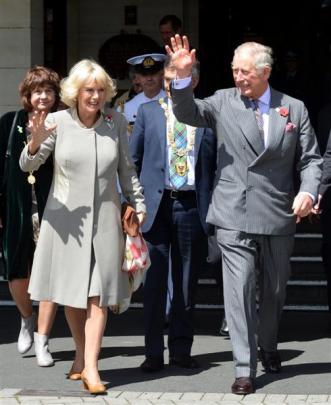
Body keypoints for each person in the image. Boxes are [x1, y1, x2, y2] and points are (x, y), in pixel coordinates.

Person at [167, 35, 322, 394]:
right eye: (234, 71)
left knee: (275, 289)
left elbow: (311, 159)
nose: (238, 77)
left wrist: (307, 191)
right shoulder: (222, 101)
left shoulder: (293, 108)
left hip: (279, 211)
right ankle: (243, 367)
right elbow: (187, 112)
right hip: (233, 211)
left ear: (265, 72)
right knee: (238, 291)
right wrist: (182, 79)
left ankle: (268, 343)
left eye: (245, 72)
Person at [19, 59, 146, 394]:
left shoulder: (114, 121)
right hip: (66, 223)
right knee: (73, 297)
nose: (95, 95)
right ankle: (80, 355)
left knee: (98, 296)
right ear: (76, 92)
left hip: (105, 222)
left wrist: (139, 203)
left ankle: (92, 366)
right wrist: (34, 142)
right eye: (89, 90)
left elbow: (126, 169)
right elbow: (28, 163)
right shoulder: (57, 121)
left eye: (101, 90)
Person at [130, 57, 217, 372]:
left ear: (192, 81)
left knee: (184, 284)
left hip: (192, 205)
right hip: (156, 207)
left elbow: (218, 165)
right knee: (153, 284)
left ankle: (181, 349)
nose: (169, 84)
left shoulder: (207, 114)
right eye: (167, 79)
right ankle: (153, 352)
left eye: (177, 78)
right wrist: (132, 204)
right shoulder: (148, 112)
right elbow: (133, 162)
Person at [0, 66, 60, 367]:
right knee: (17, 273)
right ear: (27, 94)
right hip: (17, 208)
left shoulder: (63, 123)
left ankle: (43, 338)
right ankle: (26, 317)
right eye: (38, 91)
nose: (43, 96)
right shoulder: (10, 123)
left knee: (50, 275)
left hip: (53, 208)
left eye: (49, 91)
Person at [118, 53, 166, 132]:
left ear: (162, 74)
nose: (149, 78)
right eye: (144, 74)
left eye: (153, 73)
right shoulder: (125, 108)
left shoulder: (174, 103)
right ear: (137, 77)